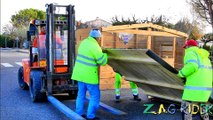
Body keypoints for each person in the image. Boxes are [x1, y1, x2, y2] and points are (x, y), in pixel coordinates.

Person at [71, 29, 108, 120]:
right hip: (89, 76)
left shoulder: (84, 42)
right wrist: (106, 54)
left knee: (81, 95)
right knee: (95, 96)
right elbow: (102, 61)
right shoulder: (95, 46)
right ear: (98, 38)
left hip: (79, 74)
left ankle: (79, 113)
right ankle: (90, 116)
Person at [178, 39, 212, 120]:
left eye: (186, 47)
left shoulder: (191, 52)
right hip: (206, 87)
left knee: (186, 105)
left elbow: (193, 66)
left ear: (189, 46)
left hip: (194, 87)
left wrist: (181, 73)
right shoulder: (204, 56)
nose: (185, 49)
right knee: (203, 105)